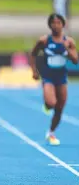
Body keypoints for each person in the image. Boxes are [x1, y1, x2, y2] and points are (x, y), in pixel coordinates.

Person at [30, 13, 78, 146]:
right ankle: (47, 104)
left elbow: (75, 60)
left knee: (60, 107)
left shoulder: (69, 41)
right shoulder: (44, 40)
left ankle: (51, 132)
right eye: (53, 23)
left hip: (61, 77)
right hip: (48, 76)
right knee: (51, 102)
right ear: (50, 25)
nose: (56, 25)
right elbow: (33, 54)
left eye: (58, 23)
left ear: (63, 24)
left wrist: (67, 48)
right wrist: (34, 71)